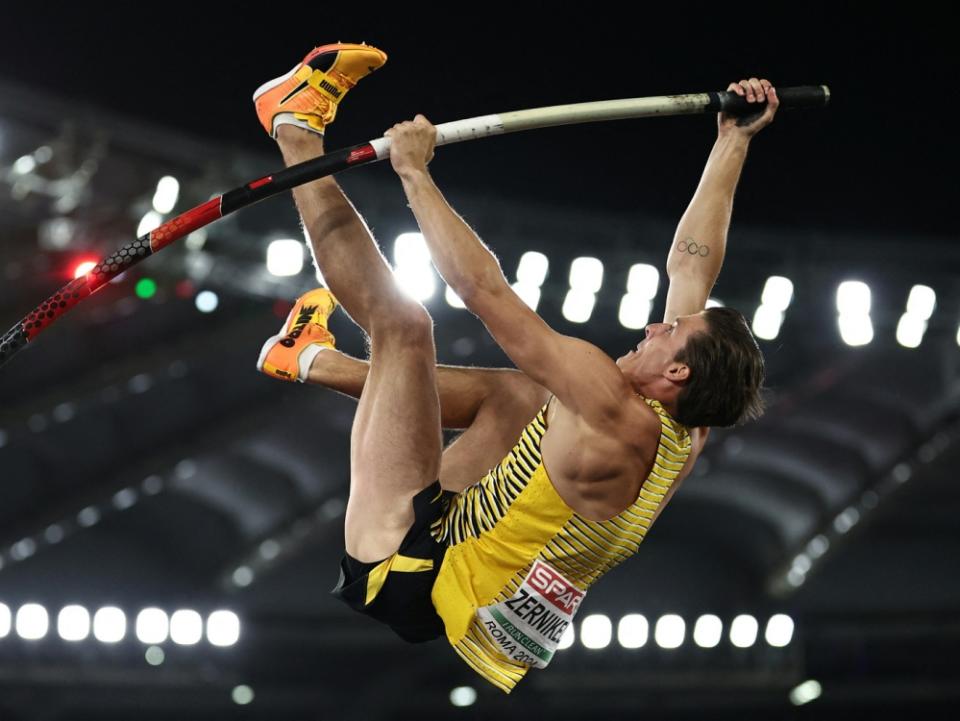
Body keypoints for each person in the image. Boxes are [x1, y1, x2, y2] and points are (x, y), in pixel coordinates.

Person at [254, 43, 775, 692]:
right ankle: (306, 358)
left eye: (669, 332)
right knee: (526, 399)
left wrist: (415, 173)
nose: (654, 324)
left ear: (677, 376)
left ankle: (293, 126)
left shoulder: (610, 407)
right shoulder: (687, 425)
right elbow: (693, 263)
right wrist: (733, 141)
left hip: (404, 563)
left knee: (405, 326)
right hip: (465, 539)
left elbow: (485, 292)